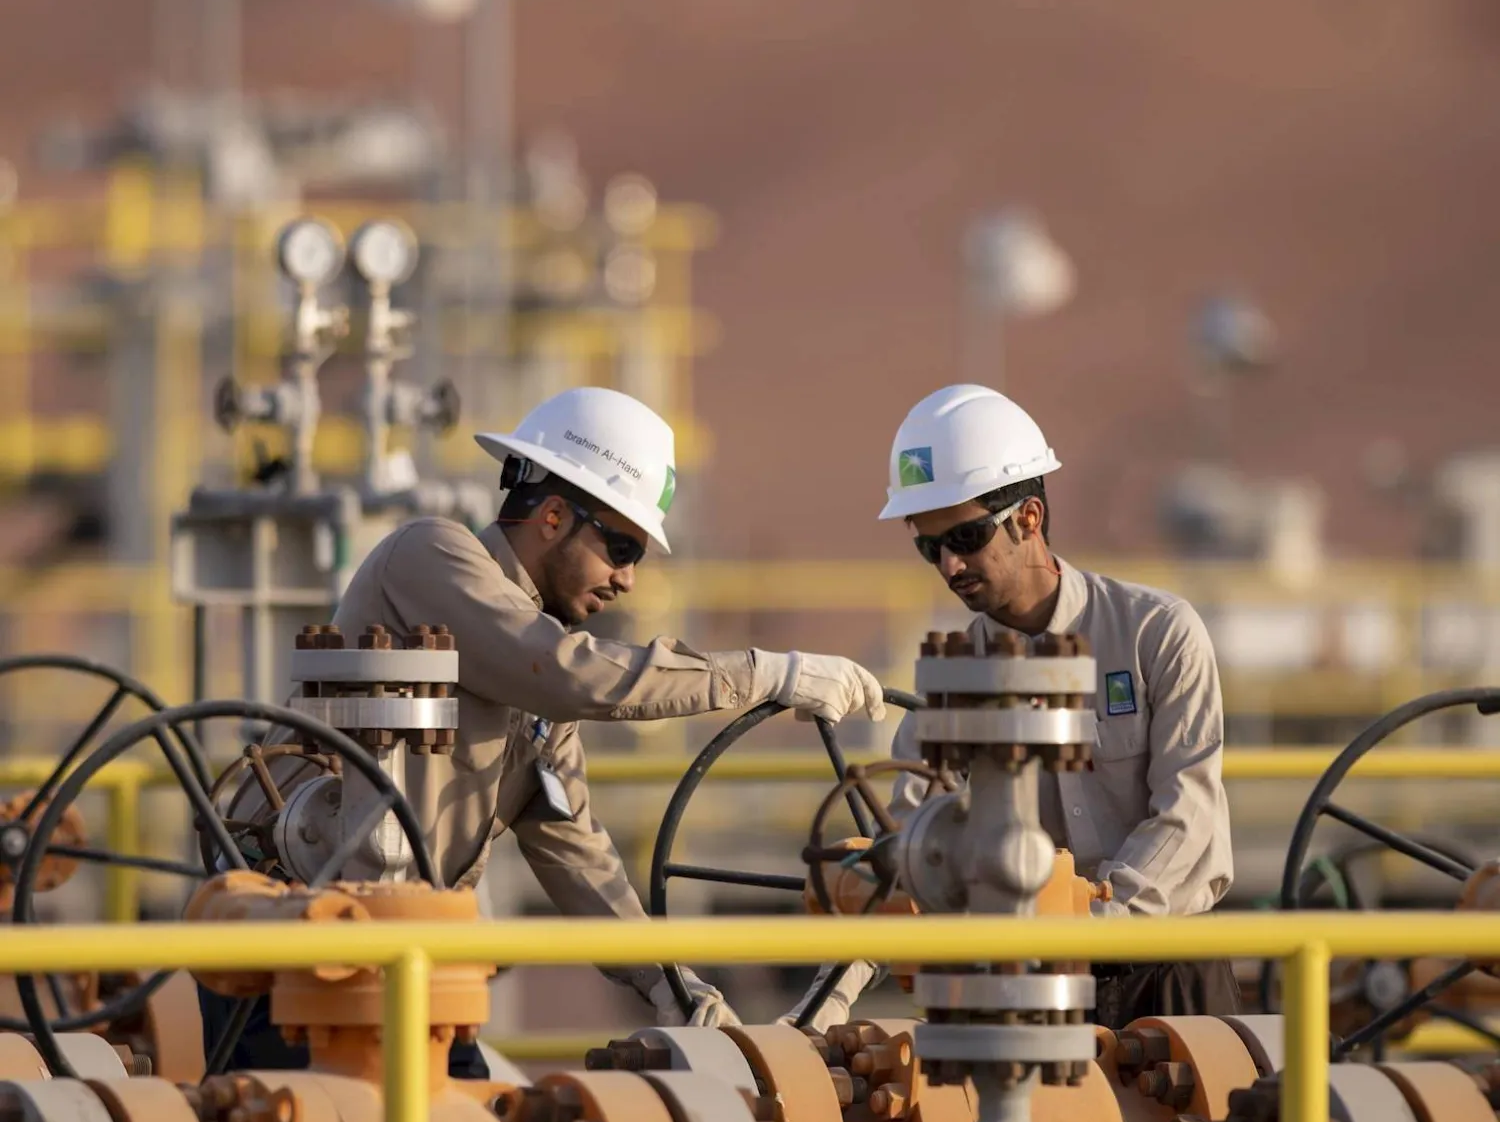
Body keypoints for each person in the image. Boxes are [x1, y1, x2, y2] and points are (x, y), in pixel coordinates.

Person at [201, 386, 886, 1074]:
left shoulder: (537, 682)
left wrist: (669, 983)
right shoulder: (430, 557)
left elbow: (572, 848)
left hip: (408, 963)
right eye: (620, 546)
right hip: (296, 956)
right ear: (553, 516)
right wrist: (765, 674)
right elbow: (572, 675)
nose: (627, 580)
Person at [783, 383, 1237, 1033]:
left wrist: (1093, 923)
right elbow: (909, 844)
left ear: (1028, 517)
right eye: (928, 545)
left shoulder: (1155, 632)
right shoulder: (952, 678)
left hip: (1172, 975)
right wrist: (831, 993)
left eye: (965, 536)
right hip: (1033, 993)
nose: (949, 564)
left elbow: (1188, 813)